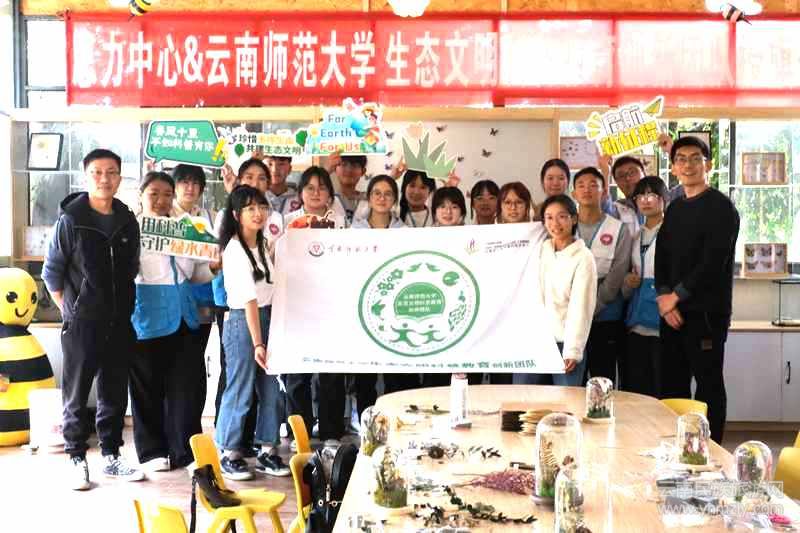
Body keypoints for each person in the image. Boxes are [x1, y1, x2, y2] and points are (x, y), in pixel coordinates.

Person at [42, 148, 145, 490]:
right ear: (86, 177)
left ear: (119, 177)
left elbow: (132, 267)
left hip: (120, 321)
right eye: (97, 172)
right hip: (83, 324)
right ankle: (76, 457)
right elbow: (52, 273)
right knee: (75, 393)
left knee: (113, 392)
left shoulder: (127, 219)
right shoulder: (71, 220)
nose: (105, 179)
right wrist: (71, 312)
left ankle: (112, 455)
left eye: (111, 172)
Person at [130, 172, 216, 471]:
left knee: (187, 386)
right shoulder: (131, 229)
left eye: (167, 194)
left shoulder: (186, 229)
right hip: (146, 315)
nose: (161, 200)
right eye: (154, 193)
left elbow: (197, 274)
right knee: (147, 385)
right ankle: (152, 450)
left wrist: (213, 267)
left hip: (184, 315)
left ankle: (186, 450)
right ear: (141, 195)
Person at [656, 137, 739, 443]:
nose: (688, 165)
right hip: (671, 313)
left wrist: (675, 297)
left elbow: (712, 262)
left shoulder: (721, 208)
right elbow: (662, 255)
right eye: (681, 159)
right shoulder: (675, 207)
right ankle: (677, 445)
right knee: (671, 385)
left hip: (706, 313)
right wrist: (664, 297)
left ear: (709, 165)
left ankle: (710, 448)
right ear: (673, 167)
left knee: (708, 385)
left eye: (695, 158)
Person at [215, 185, 289, 480]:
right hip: (244, 323)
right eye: (250, 208)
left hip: (268, 318)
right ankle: (229, 453)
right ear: (237, 215)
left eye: (262, 207)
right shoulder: (234, 250)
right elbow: (248, 300)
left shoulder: (263, 243)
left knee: (272, 389)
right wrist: (258, 343)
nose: (258, 213)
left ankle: (268, 450)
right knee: (241, 388)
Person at [285, 167, 347, 446]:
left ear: (330, 195)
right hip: (297, 305)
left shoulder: (340, 224)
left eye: (322, 188)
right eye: (310, 188)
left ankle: (331, 431)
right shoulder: (288, 223)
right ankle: (300, 433)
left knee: (331, 372)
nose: (316, 193)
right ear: (300, 194)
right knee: (298, 373)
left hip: (330, 305)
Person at [513, 195, 597, 386]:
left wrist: (573, 350)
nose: (555, 223)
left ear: (573, 219)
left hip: (564, 343)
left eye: (562, 216)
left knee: (564, 400)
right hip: (535, 340)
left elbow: (581, 308)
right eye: (549, 217)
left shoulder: (583, 257)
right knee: (523, 397)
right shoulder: (541, 250)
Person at [573, 167, 633, 386]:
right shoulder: (565, 225)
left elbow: (618, 272)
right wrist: (577, 310)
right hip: (570, 318)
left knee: (603, 380)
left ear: (604, 191)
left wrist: (592, 307)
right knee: (572, 382)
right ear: (574, 193)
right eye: (581, 185)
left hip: (606, 315)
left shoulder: (619, 229)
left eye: (593, 185)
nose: (587, 190)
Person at [351, 175, 405, 414]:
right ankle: (366, 420)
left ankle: (397, 419)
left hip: (396, 308)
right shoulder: (355, 230)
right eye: (377, 193)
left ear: (395, 199)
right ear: (369, 197)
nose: (382, 198)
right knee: (365, 373)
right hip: (365, 307)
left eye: (388, 194)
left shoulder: (405, 231)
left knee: (395, 373)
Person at [170, 164, 216, 397]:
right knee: (173, 361)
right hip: (172, 302)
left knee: (195, 359)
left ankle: (190, 412)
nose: (190, 188)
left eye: (196, 183)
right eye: (184, 182)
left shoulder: (208, 216)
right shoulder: (165, 216)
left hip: (203, 300)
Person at [621, 176, 668, 398]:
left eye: (652, 195)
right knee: (638, 388)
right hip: (637, 321)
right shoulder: (636, 235)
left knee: (663, 386)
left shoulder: (672, 231)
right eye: (640, 196)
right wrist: (628, 280)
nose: (645, 200)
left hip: (663, 320)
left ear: (664, 199)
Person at [328, 153, 370, 226]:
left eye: (355, 165)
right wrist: (327, 170)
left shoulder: (370, 199)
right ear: (334, 168)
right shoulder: (326, 199)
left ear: (363, 171)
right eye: (344, 164)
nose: (349, 170)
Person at [607, 156, 645, 237]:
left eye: (632, 172)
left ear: (644, 174)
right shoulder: (617, 210)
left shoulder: (663, 202)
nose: (627, 178)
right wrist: (605, 172)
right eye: (621, 176)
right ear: (617, 183)